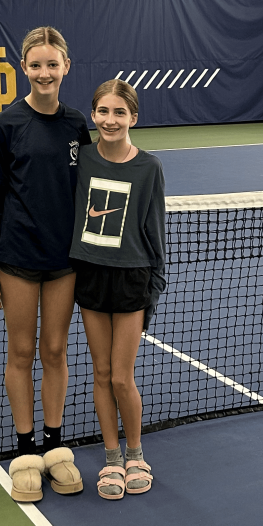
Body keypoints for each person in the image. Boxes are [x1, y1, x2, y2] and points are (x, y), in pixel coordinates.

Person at [0, 27, 93, 503]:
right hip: (17, 259)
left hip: (65, 261)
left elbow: (91, 193)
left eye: (53, 64)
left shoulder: (76, 125)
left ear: (66, 66)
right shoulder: (5, 125)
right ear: (23, 68)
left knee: (55, 352)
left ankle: (54, 444)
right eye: (36, 64)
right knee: (21, 353)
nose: (44, 72)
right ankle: (25, 452)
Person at [69, 79, 166, 500]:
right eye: (103, 111)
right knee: (101, 373)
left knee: (122, 377)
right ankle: (111, 458)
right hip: (90, 274)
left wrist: (154, 284)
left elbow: (154, 229)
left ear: (133, 118)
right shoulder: (81, 159)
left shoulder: (149, 168)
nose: (110, 120)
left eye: (119, 113)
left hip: (132, 278)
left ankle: (135, 453)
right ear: (93, 115)